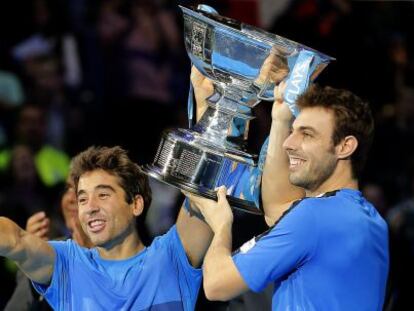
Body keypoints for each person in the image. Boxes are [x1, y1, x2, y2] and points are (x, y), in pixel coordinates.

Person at [186, 79, 389, 310]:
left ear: (344, 147)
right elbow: (280, 210)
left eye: (307, 134)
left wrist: (221, 225)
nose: (288, 143)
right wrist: (281, 120)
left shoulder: (314, 217)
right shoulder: (368, 219)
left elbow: (216, 285)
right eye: (293, 132)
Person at [0, 145, 212, 310]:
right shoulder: (66, 264)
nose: (90, 207)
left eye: (103, 195)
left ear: (136, 204)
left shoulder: (171, 258)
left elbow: (206, 189)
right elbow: (15, 239)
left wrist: (205, 105)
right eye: (82, 199)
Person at [4, 177, 92, 311]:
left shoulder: (123, 261)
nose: (69, 199)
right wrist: (30, 257)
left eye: (79, 191)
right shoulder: (50, 249)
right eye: (67, 189)